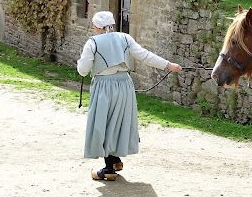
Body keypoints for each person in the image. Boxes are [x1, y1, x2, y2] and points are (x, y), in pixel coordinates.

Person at [77, 11, 182, 181]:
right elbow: (144, 56)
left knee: (104, 123)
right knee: (119, 122)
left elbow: (82, 70)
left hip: (104, 86)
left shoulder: (92, 43)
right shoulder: (125, 38)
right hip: (125, 85)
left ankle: (109, 169)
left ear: (96, 27)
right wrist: (168, 65)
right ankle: (116, 160)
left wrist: (83, 64)